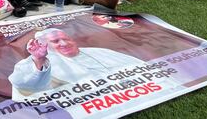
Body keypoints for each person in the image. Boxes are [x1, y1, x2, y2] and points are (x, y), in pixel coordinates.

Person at [8, 28, 144, 98]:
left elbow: (140, 67)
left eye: (66, 39)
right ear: (45, 45)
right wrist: (39, 60)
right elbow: (24, 86)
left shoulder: (98, 52)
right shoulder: (34, 61)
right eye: (55, 41)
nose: (63, 43)